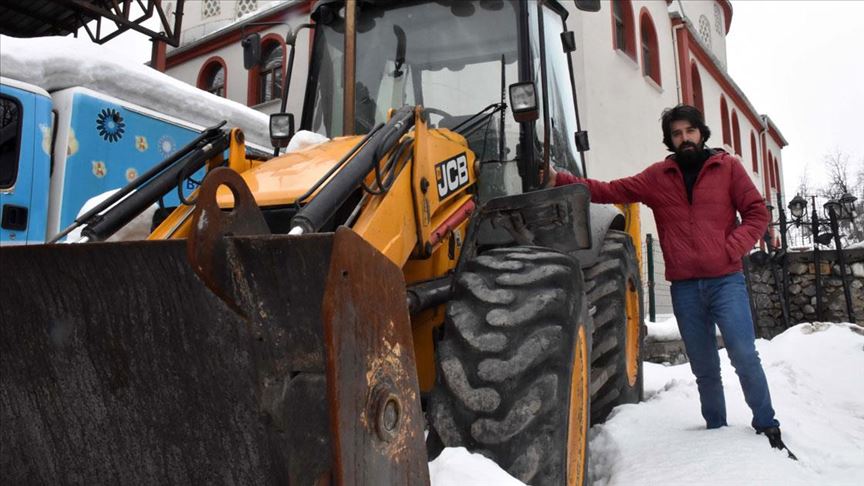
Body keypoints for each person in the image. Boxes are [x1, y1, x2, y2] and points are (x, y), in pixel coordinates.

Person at [550, 104, 795, 458]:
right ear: (670, 140)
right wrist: (561, 179)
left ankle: (766, 423)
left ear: (701, 133)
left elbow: (756, 211)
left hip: (726, 281)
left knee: (744, 354)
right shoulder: (657, 177)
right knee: (704, 366)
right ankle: (716, 429)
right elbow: (609, 190)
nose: (685, 139)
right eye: (677, 134)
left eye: (690, 131)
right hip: (685, 289)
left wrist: (734, 246)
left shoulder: (727, 168)